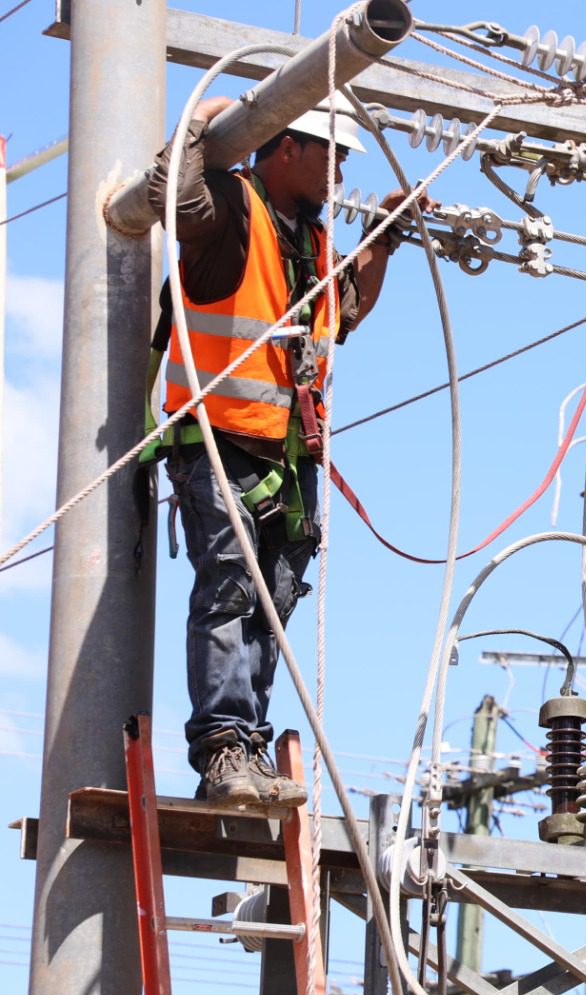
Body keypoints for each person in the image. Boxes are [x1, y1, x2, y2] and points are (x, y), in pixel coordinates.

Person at [144, 98, 428, 806]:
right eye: (328, 151)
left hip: (288, 456)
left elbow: (347, 312)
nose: (338, 168)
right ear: (284, 148)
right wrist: (199, 124)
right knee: (231, 588)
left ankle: (249, 742)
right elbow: (173, 199)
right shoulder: (232, 210)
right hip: (221, 438)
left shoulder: (310, 239)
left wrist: (383, 241)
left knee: (273, 600)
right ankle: (221, 750)